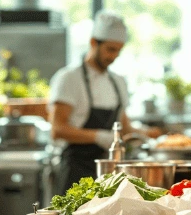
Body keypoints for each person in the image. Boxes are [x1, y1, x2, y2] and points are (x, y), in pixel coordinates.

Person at [49, 10, 160, 195]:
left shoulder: (117, 82)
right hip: (74, 170)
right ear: (94, 42)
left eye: (118, 50)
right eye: (110, 49)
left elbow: (124, 128)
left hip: (107, 173)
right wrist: (99, 137)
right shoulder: (68, 79)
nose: (114, 56)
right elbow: (58, 129)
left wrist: (149, 135)